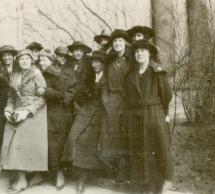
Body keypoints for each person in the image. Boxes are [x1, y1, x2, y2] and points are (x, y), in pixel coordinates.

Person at [124, 40, 173, 194]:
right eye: (137, 51)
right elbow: (127, 95)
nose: (139, 53)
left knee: (155, 149)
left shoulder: (157, 71)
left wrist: (162, 113)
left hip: (153, 115)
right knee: (138, 149)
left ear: (149, 53)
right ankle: (143, 185)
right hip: (135, 116)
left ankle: (156, 186)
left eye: (143, 50)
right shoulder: (131, 74)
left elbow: (166, 95)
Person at [0, 49, 48, 194]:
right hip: (16, 110)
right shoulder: (15, 75)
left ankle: (22, 180)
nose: (24, 61)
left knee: (20, 143)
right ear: (18, 62)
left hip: (33, 113)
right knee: (9, 140)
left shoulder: (37, 74)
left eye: (27, 59)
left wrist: (27, 111)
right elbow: (11, 97)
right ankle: (29, 176)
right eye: (21, 59)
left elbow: (43, 98)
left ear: (31, 60)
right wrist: (8, 110)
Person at [63, 50, 107, 194]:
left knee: (88, 141)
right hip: (86, 110)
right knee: (73, 136)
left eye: (98, 61)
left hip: (102, 112)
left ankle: (82, 179)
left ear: (103, 62)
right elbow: (79, 95)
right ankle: (77, 174)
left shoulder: (108, 77)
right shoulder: (88, 76)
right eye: (93, 61)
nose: (95, 64)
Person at [38, 49, 77, 190]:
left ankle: (60, 173)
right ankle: (40, 173)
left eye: (45, 60)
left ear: (51, 60)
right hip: (43, 112)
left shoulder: (56, 74)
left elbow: (62, 95)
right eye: (40, 59)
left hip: (57, 114)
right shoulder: (39, 73)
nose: (42, 62)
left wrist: (45, 92)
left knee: (56, 144)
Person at [100, 29, 134, 183]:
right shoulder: (109, 61)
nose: (117, 44)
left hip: (129, 100)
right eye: (114, 42)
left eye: (120, 41)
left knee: (128, 133)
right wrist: (106, 101)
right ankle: (113, 169)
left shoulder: (132, 59)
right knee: (112, 135)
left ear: (125, 42)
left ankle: (126, 171)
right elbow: (104, 83)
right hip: (113, 100)